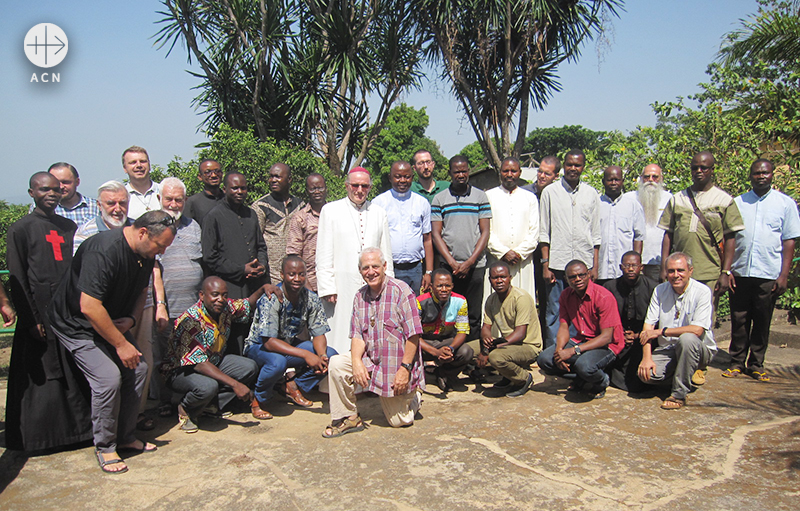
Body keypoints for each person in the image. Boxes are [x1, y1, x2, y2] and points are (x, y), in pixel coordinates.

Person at [49, 210, 177, 474]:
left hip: (112, 320)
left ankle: (126, 436)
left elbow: (143, 290)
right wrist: (121, 344)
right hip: (77, 325)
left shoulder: (145, 254)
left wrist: (131, 318)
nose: (161, 252)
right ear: (143, 233)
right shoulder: (104, 251)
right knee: (108, 378)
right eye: (160, 245)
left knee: (139, 369)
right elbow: (89, 306)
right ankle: (105, 446)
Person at [5, 172, 92, 451]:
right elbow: (17, 277)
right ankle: (40, 438)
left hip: (66, 309)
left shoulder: (67, 226)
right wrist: (31, 319)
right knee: (44, 375)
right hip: (38, 310)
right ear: (32, 193)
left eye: (56, 189)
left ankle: (78, 432)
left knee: (72, 371)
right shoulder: (21, 229)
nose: (52, 194)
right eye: (44, 190)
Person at [322, 247, 424, 437]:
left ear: (384, 266)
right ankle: (349, 417)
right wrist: (356, 362)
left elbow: (413, 335)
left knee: (399, 421)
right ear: (360, 271)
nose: (371, 272)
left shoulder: (402, 291)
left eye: (375, 266)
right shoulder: (359, 297)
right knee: (337, 364)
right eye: (365, 268)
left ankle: (415, 396)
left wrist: (405, 369)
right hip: (372, 361)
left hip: (397, 367)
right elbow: (358, 335)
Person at [162, 277, 273, 432]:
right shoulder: (190, 321)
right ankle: (186, 408)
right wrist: (235, 384)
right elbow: (199, 364)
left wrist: (263, 288)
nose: (220, 299)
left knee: (248, 367)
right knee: (208, 386)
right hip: (181, 371)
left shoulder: (224, 308)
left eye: (224, 295)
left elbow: (247, 304)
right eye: (215, 295)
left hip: (213, 361)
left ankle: (209, 405)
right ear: (202, 295)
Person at [724, 159, 800, 381]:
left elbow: (789, 241)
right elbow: (729, 238)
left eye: (765, 173)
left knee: (762, 319)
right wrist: (727, 271)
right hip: (740, 271)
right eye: (756, 173)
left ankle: (756, 363)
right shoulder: (737, 203)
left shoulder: (785, 204)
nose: (761, 176)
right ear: (750, 176)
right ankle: (736, 362)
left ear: (772, 175)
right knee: (738, 319)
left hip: (768, 272)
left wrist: (784, 275)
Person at [244, 256, 336, 417]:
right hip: (258, 347)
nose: (297, 279)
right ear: (282, 275)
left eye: (301, 274)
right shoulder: (271, 299)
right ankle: (258, 398)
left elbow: (319, 333)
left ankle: (293, 386)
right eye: (292, 274)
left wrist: (320, 356)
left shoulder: (310, 298)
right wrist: (306, 355)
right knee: (278, 362)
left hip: (288, 344)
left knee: (331, 356)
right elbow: (269, 342)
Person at [316, 167, 393, 354]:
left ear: (370, 187)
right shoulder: (330, 210)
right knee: (340, 330)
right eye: (355, 185)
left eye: (364, 186)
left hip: (372, 282)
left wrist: (388, 282)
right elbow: (323, 252)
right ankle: (337, 371)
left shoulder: (378, 212)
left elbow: (386, 252)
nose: (359, 190)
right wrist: (327, 287)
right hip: (341, 285)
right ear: (346, 186)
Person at [151, 177, 204, 417]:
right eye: (168, 199)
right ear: (160, 199)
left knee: (190, 355)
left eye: (178, 199)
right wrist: (159, 304)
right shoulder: (151, 227)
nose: (173, 204)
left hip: (191, 307)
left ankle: (189, 399)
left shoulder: (193, 226)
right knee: (163, 357)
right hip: (166, 307)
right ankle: (165, 402)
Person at [539, 150, 601, 348]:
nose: (573, 168)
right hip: (557, 264)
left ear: (583, 167)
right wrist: (545, 264)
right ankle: (552, 353)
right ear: (563, 166)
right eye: (570, 164)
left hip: (583, 265)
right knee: (554, 310)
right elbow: (544, 232)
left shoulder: (591, 194)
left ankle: (575, 351)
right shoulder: (550, 192)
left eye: (578, 165)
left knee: (580, 310)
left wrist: (595, 266)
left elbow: (596, 234)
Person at [637, 252, 716, 410]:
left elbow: (697, 330)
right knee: (647, 375)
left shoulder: (702, 291)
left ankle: (679, 394)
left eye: (680, 270)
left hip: (697, 348)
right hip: (668, 349)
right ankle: (686, 372)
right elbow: (647, 328)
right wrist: (646, 358)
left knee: (686, 339)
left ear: (690, 271)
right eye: (671, 271)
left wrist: (662, 332)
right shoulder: (660, 290)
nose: (675, 275)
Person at [537, 260, 624, 399]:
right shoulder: (566, 295)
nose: (577, 279)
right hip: (581, 339)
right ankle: (581, 378)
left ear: (588, 274)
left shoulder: (603, 296)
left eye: (581, 275)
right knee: (545, 359)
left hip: (606, 344)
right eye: (572, 277)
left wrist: (573, 351)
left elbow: (607, 337)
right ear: (566, 279)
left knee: (584, 366)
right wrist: (559, 352)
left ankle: (601, 381)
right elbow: (564, 327)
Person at [203, 172, 268, 354]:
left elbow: (261, 246)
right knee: (233, 337)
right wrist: (241, 269)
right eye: (235, 188)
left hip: (252, 285)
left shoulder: (251, 214)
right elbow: (210, 256)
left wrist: (261, 265)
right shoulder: (214, 216)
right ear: (225, 189)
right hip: (229, 287)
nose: (240, 191)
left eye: (243, 188)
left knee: (253, 332)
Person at [431, 155, 492, 340]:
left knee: (473, 314)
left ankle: (471, 355)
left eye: (464, 171)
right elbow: (436, 234)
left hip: (475, 266)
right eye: (457, 171)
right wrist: (452, 262)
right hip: (449, 268)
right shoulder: (440, 199)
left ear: (468, 171)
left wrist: (470, 261)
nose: (461, 174)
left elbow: (485, 232)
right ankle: (449, 352)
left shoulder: (480, 196)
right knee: (449, 312)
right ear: (450, 172)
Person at [467, 261, 543, 397]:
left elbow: (520, 334)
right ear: (490, 280)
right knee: (466, 350)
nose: (499, 281)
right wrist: (485, 345)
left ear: (510, 278)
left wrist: (490, 350)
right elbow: (486, 327)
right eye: (495, 278)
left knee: (496, 357)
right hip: (506, 343)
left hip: (527, 345)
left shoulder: (521, 298)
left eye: (503, 277)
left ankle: (524, 378)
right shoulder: (491, 299)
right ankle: (508, 376)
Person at [485, 157, 539, 307]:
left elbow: (534, 232)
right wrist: (503, 252)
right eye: (506, 171)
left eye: (513, 171)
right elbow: (486, 231)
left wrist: (519, 253)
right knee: (495, 305)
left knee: (523, 302)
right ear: (500, 172)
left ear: (519, 173)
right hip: (497, 259)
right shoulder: (489, 196)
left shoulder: (530, 198)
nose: (510, 174)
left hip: (522, 261)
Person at [373, 160, 433, 294]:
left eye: (406, 177)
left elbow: (427, 239)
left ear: (412, 177)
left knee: (414, 309)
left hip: (415, 269)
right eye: (398, 176)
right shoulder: (378, 203)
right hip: (388, 268)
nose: (402, 180)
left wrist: (428, 272)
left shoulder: (422, 203)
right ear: (390, 177)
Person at [602, 251, 657, 392]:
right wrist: (620, 335)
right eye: (627, 265)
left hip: (644, 337)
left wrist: (638, 336)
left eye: (634, 265)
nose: (631, 269)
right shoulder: (610, 287)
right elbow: (603, 319)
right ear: (621, 267)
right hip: (617, 336)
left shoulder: (653, 287)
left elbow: (658, 321)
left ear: (641, 267)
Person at [417, 268, 473, 393]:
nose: (444, 289)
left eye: (447, 286)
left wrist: (450, 349)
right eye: (439, 286)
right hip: (424, 343)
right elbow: (413, 335)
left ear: (452, 286)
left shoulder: (460, 301)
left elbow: (462, 331)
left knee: (466, 351)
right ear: (431, 286)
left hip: (446, 342)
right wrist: (436, 352)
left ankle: (444, 374)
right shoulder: (420, 302)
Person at [521, 156, 560, 329]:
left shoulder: (559, 195)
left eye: (547, 173)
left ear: (556, 176)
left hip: (550, 255)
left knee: (548, 299)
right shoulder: (524, 193)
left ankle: (545, 338)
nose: (542, 176)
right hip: (527, 253)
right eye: (540, 171)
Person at [251, 163, 305, 284]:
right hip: (271, 276)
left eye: (277, 177)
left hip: (296, 275)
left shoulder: (300, 205)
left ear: (289, 179)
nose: (273, 180)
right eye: (271, 177)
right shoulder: (261, 206)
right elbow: (255, 241)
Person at [597, 165, 645, 283]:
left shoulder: (633, 205)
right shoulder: (596, 205)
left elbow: (639, 237)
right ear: (603, 182)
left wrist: (634, 265)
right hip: (601, 269)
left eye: (617, 179)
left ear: (622, 181)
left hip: (624, 272)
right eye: (610, 179)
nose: (613, 183)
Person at [626, 164, 671, 282]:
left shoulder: (670, 199)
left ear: (661, 179)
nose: (651, 180)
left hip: (658, 261)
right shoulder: (629, 199)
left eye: (655, 177)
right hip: (632, 263)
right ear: (641, 178)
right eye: (647, 177)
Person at [286, 173, 327, 292]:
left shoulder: (335, 214)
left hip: (333, 282)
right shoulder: (300, 218)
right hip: (310, 283)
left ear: (326, 189)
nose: (317, 191)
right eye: (313, 188)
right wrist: (306, 285)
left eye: (320, 188)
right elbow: (294, 254)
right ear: (307, 191)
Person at [73, 180, 132, 252]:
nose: (118, 209)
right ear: (99, 205)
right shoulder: (86, 232)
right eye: (111, 203)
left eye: (122, 203)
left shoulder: (137, 228)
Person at [34, 162, 100, 226]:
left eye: (65, 182)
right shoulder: (40, 207)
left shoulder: (96, 207)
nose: (61, 187)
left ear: (77, 182)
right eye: (56, 182)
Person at [122, 146, 160, 220]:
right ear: (125, 168)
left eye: (143, 161)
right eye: (133, 162)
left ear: (149, 165)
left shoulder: (164, 191)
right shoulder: (121, 197)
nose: (139, 165)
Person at [184, 159, 225, 226]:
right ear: (200, 177)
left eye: (217, 171)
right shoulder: (192, 202)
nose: (214, 175)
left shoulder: (230, 200)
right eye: (208, 172)